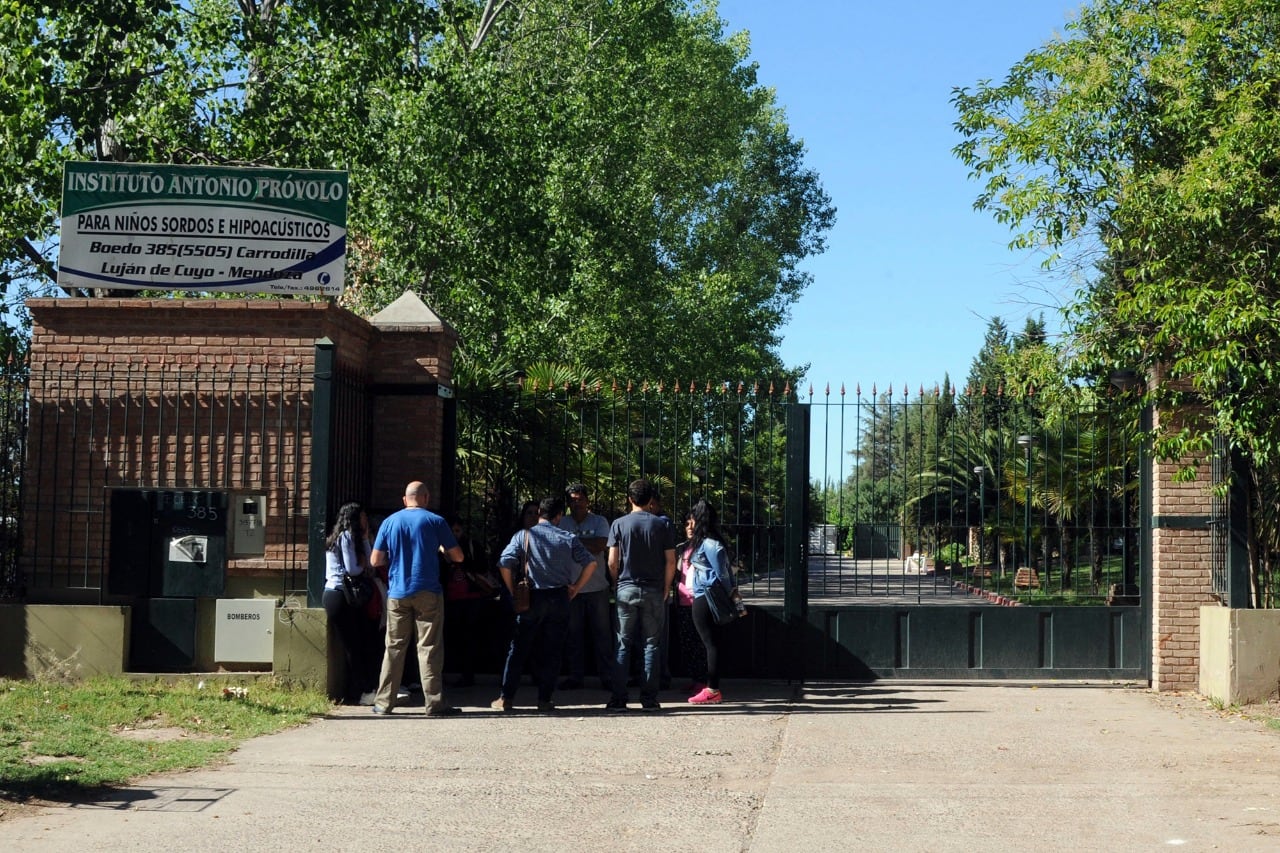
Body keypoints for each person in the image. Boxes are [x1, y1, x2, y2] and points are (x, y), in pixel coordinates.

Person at [492, 495, 596, 713]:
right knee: (553, 650)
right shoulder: (568, 537)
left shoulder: (524, 535)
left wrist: (512, 590)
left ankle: (506, 697)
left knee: (519, 648)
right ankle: (545, 699)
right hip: (559, 597)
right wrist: (576, 587)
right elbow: (591, 563)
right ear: (559, 516)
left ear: (539, 513)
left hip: (532, 597)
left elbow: (504, 563)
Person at [369, 481, 465, 716]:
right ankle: (434, 703)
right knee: (429, 647)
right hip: (428, 590)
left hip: (397, 593)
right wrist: (441, 549)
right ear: (426, 497)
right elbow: (459, 556)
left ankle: (383, 703)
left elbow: (375, 560)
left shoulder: (389, 522)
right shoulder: (435, 521)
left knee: (394, 647)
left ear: (405, 499)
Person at [605, 479, 676, 712]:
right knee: (651, 645)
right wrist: (666, 587)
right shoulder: (661, 525)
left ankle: (618, 698)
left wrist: (616, 583)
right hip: (654, 589)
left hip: (626, 587)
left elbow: (612, 561)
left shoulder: (619, 524)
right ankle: (649, 698)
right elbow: (670, 561)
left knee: (623, 644)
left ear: (630, 499)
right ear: (651, 501)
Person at [684, 498, 741, 705]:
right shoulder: (707, 542)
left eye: (692, 520)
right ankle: (711, 687)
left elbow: (723, 574)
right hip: (704, 596)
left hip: (707, 596)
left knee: (710, 644)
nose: (689, 525)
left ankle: (712, 688)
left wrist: (730, 595)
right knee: (710, 643)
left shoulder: (710, 545)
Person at [557, 483, 613, 691]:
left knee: (603, 634)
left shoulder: (599, 521)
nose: (577, 503)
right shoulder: (561, 522)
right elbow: (558, 546)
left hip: (597, 587)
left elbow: (601, 546)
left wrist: (572, 542)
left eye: (580, 499)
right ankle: (575, 676)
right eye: (573, 500)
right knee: (573, 635)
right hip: (571, 587)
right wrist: (585, 542)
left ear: (588, 500)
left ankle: (607, 676)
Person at [322, 502, 378, 705]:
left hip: (340, 595)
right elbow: (354, 569)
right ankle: (360, 691)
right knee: (353, 645)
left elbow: (368, 564)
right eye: (363, 517)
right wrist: (363, 556)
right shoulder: (345, 537)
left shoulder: (344, 537)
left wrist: (364, 541)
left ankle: (360, 688)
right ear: (354, 518)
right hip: (339, 595)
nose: (366, 521)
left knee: (357, 643)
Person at [441, 515, 499, 688]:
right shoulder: (439, 549)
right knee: (453, 636)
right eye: (452, 531)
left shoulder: (472, 546)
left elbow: (481, 567)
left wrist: (459, 560)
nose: (455, 534)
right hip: (451, 597)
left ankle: (467, 674)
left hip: (471, 597)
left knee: (469, 636)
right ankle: (452, 672)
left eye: (458, 531)